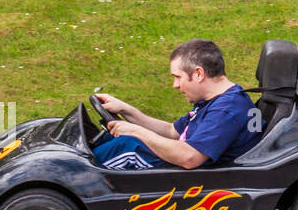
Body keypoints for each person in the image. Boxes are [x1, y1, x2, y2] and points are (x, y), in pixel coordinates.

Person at [92, 39, 261, 169]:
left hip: (191, 181)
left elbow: (189, 157)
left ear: (198, 74)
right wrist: (126, 110)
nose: (175, 85)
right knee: (113, 137)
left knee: (126, 147)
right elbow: (172, 131)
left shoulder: (228, 110)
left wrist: (136, 132)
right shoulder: (213, 101)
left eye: (178, 77)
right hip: (182, 170)